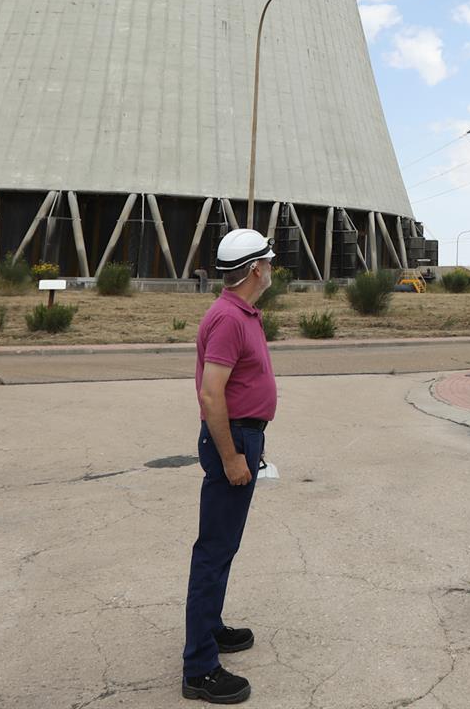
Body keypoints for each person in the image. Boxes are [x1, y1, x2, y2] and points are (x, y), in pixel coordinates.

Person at [181, 228, 278, 704]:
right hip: (232, 440)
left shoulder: (242, 313)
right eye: (270, 263)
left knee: (225, 546)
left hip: (244, 435)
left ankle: (212, 627)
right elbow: (210, 393)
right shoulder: (227, 318)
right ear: (256, 269)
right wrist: (232, 456)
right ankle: (199, 668)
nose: (273, 270)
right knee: (213, 552)